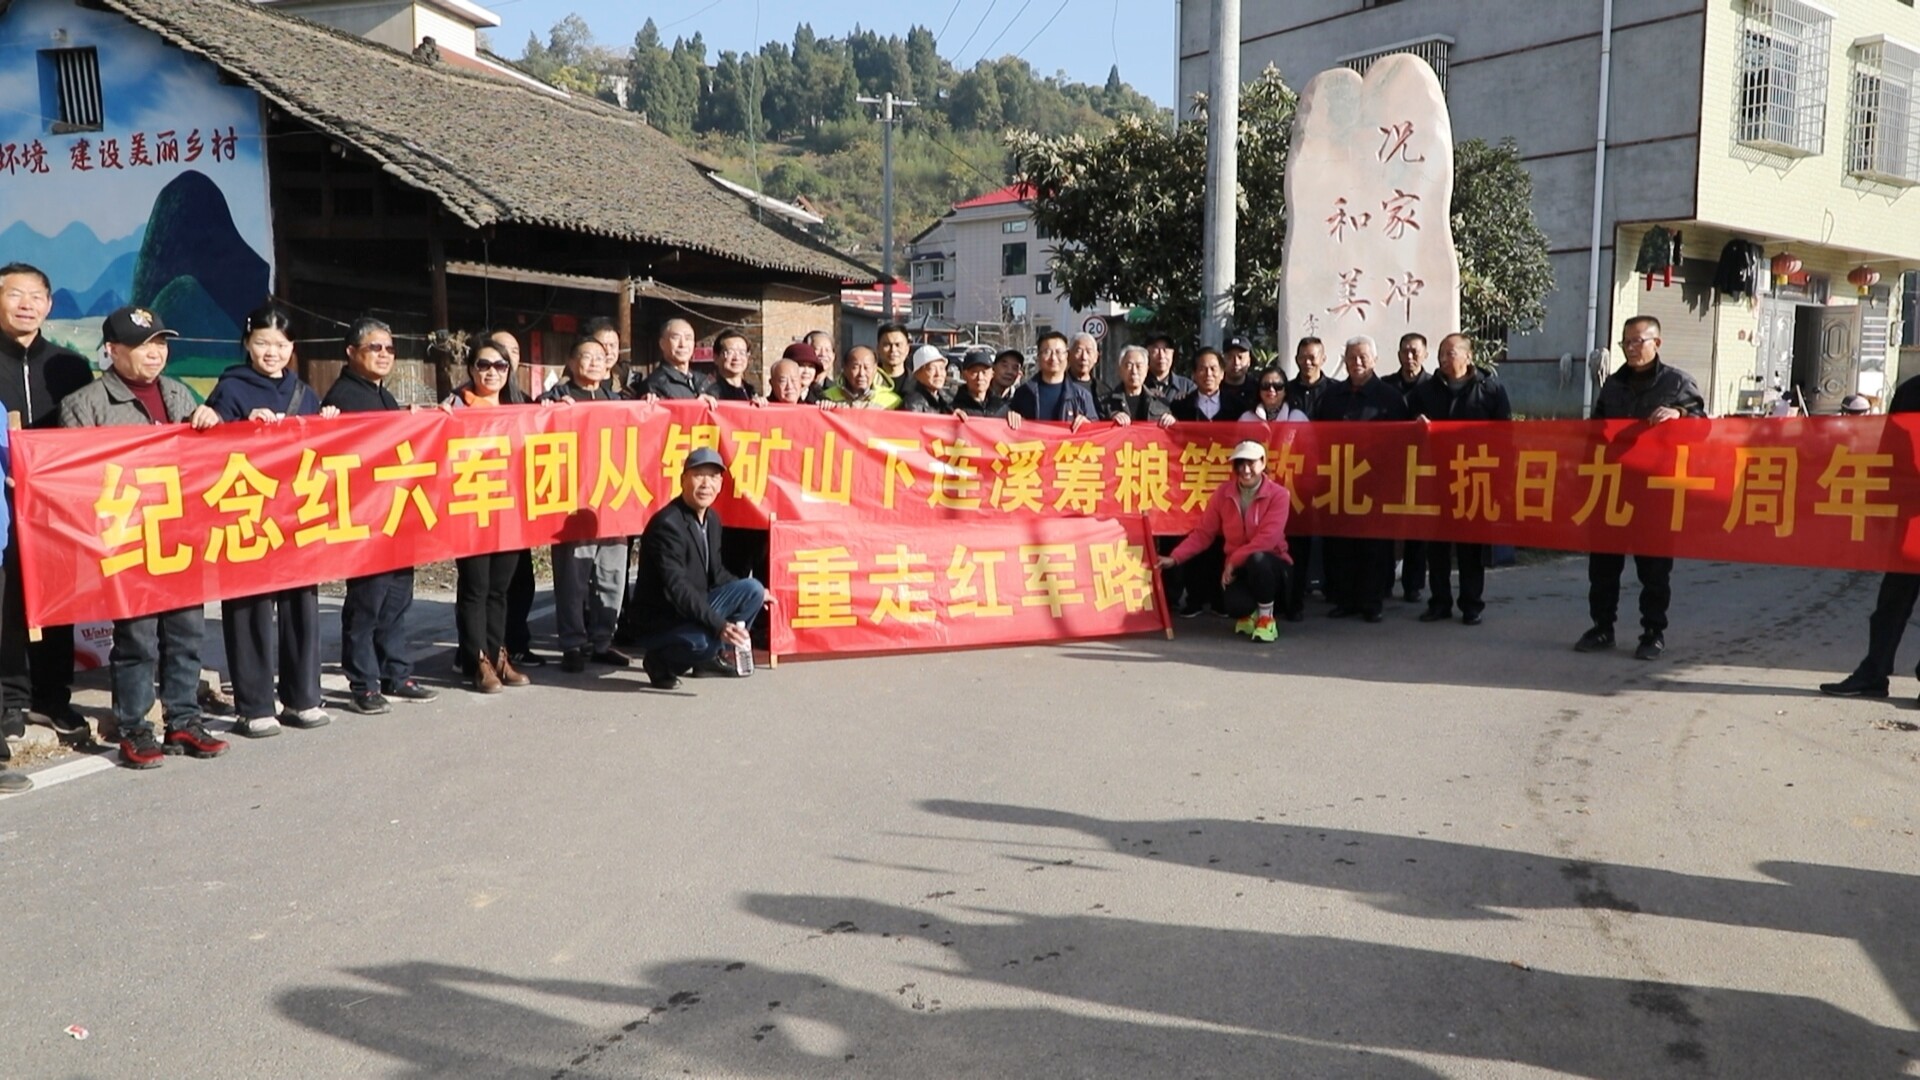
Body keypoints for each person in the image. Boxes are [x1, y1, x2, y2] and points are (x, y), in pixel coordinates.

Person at [62, 307, 228, 768]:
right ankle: (134, 728)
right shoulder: (86, 403)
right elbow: (75, 478)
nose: (155, 353)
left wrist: (209, 423)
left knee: (186, 633)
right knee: (136, 639)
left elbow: (206, 460)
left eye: (160, 343)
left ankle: (184, 720)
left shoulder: (177, 393)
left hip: (179, 534)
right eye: (141, 345)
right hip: (128, 539)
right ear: (112, 351)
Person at [203, 304, 340, 735]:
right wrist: (236, 426)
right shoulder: (230, 389)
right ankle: (255, 704)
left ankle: (303, 698)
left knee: (302, 607)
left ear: (292, 348)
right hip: (248, 515)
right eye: (262, 342)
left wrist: (328, 424)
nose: (271, 352)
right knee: (250, 609)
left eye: (280, 344)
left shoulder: (305, 392)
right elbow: (207, 449)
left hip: (296, 515)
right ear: (247, 344)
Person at [323, 316, 440, 714]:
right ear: (351, 352)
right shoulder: (343, 398)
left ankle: (396, 672)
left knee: (396, 600)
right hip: (365, 518)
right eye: (375, 347)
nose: (384, 354)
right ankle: (364, 683)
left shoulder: (382, 395)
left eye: (389, 348)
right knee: (367, 604)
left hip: (395, 515)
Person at [1576, 315, 1707, 660]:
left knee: (1654, 570)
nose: (1631, 349)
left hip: (1655, 491)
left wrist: (1680, 415)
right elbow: (1596, 431)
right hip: (1612, 488)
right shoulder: (1613, 385)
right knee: (1603, 567)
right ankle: (1602, 627)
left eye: (1637, 341)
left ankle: (1653, 632)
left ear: (1656, 343)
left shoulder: (1677, 383)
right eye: (1626, 342)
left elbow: (1704, 428)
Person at [0, 262, 92, 746]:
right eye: (15, 294)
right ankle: (9, 700)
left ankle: (52, 696)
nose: (26, 305)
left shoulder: (69, 366)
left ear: (49, 305)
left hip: (56, 504)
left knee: (57, 596)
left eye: (36, 296)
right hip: (3, 502)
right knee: (7, 600)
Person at [631, 447, 770, 690]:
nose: (706, 484)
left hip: (694, 604)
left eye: (713, 477)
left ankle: (711, 657)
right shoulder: (667, 525)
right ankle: (660, 662)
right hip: (665, 617)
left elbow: (717, 573)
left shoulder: (712, 519)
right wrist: (719, 625)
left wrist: (761, 595)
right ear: (683, 479)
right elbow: (678, 589)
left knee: (753, 590)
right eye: (698, 475)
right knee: (705, 642)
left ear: (721, 484)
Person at [442, 339, 533, 693]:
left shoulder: (520, 405)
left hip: (510, 511)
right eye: (483, 365)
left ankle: (498, 655)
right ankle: (477, 660)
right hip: (472, 508)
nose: (492, 372)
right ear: (471, 369)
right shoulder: (455, 405)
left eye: (500, 365)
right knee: (475, 588)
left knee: (499, 590)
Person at [1821, 374, 1920, 699]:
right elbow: (1889, 450)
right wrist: (1879, 504)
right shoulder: (1911, 391)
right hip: (1909, 517)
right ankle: (1874, 673)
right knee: (1892, 602)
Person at [541, 337, 634, 673]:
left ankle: (602, 641)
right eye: (586, 356)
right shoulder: (556, 398)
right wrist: (549, 409)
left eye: (600, 356)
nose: (595, 362)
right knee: (573, 579)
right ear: (570, 361)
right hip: (573, 504)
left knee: (612, 577)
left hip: (614, 501)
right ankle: (572, 644)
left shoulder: (618, 400)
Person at [1411, 333, 1512, 626]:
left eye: (1450, 353)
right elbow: (1407, 424)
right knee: (1437, 546)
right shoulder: (1426, 391)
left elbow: (1506, 435)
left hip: (1474, 476)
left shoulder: (1490, 389)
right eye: (1441, 354)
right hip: (1437, 478)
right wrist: (1417, 424)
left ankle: (1471, 604)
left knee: (1471, 547)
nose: (1444, 359)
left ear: (1469, 356)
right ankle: (1439, 602)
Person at [1314, 335, 1408, 623]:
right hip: (1339, 481)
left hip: (1375, 484)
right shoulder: (1331, 396)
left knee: (1374, 546)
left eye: (1363, 357)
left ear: (1374, 360)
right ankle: (1344, 600)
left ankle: (1371, 601)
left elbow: (1402, 443)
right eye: (1351, 357)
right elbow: (1317, 438)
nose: (1356, 362)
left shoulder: (1390, 397)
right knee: (1340, 544)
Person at [1159, 440, 1291, 643]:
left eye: (1251, 463)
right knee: (1235, 607)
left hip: (1272, 566)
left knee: (1258, 558)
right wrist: (1175, 558)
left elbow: (1267, 540)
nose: (1245, 470)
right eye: (1240, 463)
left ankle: (1266, 619)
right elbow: (1203, 533)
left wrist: (1233, 560)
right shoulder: (1223, 493)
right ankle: (1251, 614)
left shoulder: (1280, 495)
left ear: (1263, 462)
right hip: (1238, 568)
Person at [488, 328, 541, 667]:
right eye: (498, 351)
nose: (505, 358)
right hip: (482, 501)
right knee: (484, 587)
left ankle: (516, 643)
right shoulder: (464, 400)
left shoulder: (524, 400)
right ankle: (477, 653)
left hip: (517, 505)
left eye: (513, 352)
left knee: (522, 581)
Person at [1282, 336, 1339, 622]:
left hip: (1330, 471)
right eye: (1303, 357)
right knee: (1298, 533)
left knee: (1332, 531)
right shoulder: (1285, 391)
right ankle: (1297, 590)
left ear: (1323, 359)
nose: (1308, 362)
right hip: (1293, 473)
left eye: (1313, 356)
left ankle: (1333, 589)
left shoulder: (1336, 391)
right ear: (1296, 359)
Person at [1380, 332, 1434, 603]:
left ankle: (1413, 585)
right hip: (1390, 467)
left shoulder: (1434, 387)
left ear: (1425, 354)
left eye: (1415, 351)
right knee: (1386, 526)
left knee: (1417, 528)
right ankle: (1384, 582)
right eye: (1405, 351)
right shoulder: (1385, 387)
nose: (1410, 356)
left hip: (1423, 467)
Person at [1011, 331, 1095, 427]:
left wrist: (1088, 425)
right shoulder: (1023, 393)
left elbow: (1098, 431)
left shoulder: (1082, 396)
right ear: (1038, 357)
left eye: (1058, 352)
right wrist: (1011, 417)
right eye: (1047, 352)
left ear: (1067, 356)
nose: (1053, 358)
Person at [1102, 345, 1174, 427]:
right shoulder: (1106, 403)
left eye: (1139, 366)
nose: (1134, 371)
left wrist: (1171, 420)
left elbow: (1173, 430)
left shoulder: (1158, 401)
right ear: (1119, 369)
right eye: (1129, 366)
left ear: (1146, 370)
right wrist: (1112, 418)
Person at [641, 318, 714, 399]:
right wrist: (697, 404)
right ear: (662, 344)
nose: (683, 344)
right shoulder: (655, 384)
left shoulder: (705, 381)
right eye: (676, 338)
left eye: (688, 338)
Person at [950, 348, 1022, 426]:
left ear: (992, 374)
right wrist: (950, 419)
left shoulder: (1002, 409)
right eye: (974, 372)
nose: (980, 377)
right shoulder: (953, 408)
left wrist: (1015, 419)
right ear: (964, 375)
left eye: (984, 372)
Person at [822, 346, 902, 409]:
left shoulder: (893, 402)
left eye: (867, 368)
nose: (862, 373)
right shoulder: (827, 397)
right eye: (855, 367)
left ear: (875, 369)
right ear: (845, 368)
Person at [1171, 348, 1238, 422]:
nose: (1208, 374)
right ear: (1194, 374)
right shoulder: (1181, 407)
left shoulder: (1236, 406)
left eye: (1213, 369)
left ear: (1222, 374)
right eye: (1202, 369)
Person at [486, 327, 536, 404]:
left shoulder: (524, 401)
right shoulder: (466, 399)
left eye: (514, 351)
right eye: (502, 349)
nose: (509, 356)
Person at [1241, 367, 1307, 422]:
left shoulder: (1298, 417)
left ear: (1285, 391)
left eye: (1278, 386)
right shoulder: (1246, 418)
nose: (1271, 390)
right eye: (1265, 385)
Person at [1143, 333, 1195, 402]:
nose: (1161, 356)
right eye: (1156, 350)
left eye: (1165, 350)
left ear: (1173, 354)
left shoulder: (1187, 386)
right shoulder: (1139, 384)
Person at [709, 328, 758, 402]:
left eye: (742, 352)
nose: (737, 358)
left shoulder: (750, 391)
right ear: (716, 357)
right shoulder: (712, 392)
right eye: (730, 352)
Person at [899, 345, 951, 413]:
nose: (938, 374)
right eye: (931, 369)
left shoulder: (945, 399)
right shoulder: (912, 403)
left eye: (941, 368)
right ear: (917, 374)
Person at [1221, 335, 1256, 402]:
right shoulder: (1214, 388)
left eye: (1240, 357)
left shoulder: (1258, 390)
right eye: (1230, 357)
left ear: (1249, 361)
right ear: (1222, 360)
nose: (1236, 362)